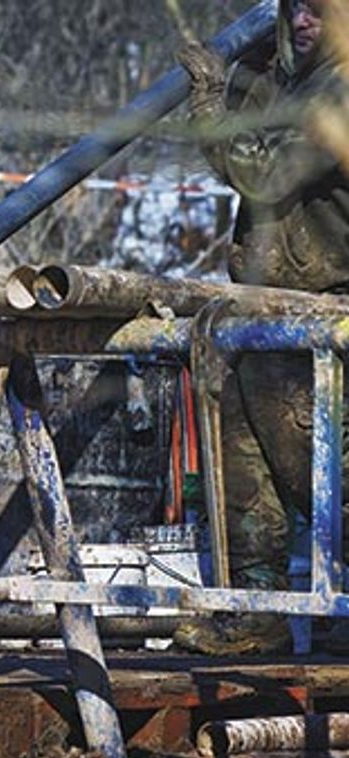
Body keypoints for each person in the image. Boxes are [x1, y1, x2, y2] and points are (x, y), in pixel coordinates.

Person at [174, 0, 349, 655]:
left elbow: (262, 174)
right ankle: (256, 609)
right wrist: (235, 81)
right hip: (271, 306)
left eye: (320, 10)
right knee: (241, 460)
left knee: (318, 471)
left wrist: (208, 102)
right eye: (294, 8)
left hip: (325, 308)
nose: (304, 22)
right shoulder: (295, 80)